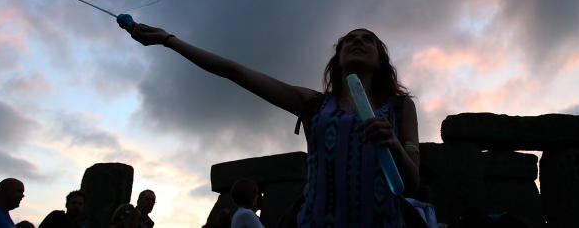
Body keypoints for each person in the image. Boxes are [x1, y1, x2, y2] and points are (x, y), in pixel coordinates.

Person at [125, 24, 421, 227]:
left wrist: (393, 144)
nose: (357, 41)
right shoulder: (314, 104)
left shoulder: (400, 108)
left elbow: (413, 182)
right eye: (349, 40)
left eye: (367, 39)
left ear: (381, 60)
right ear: (338, 59)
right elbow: (234, 71)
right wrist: (167, 40)